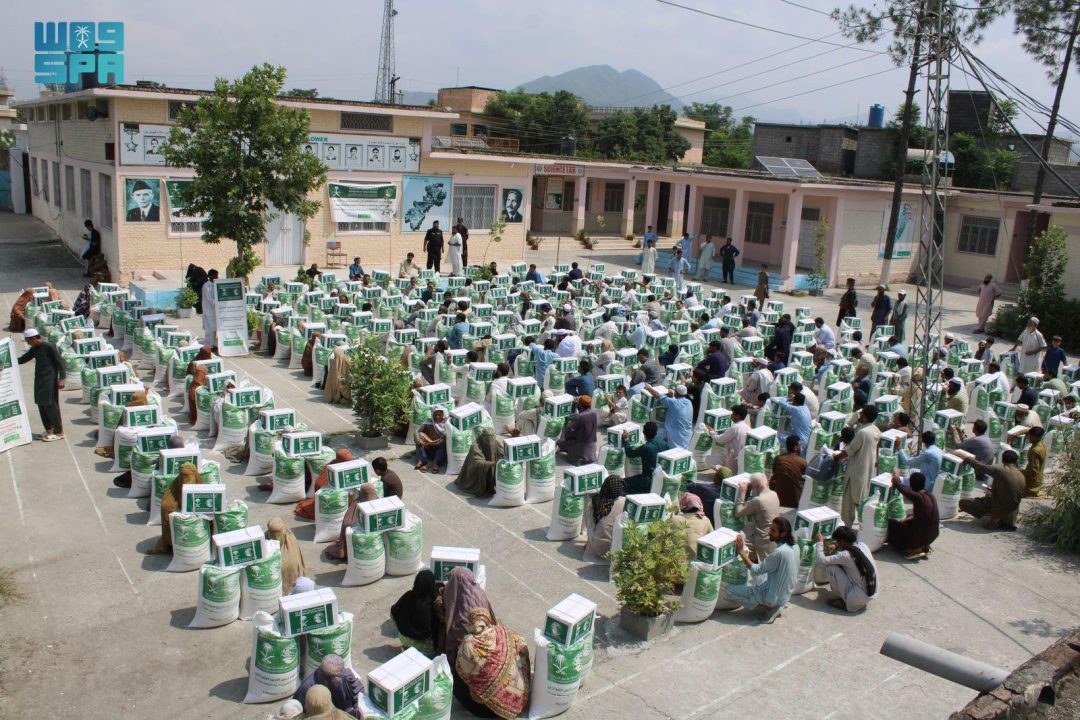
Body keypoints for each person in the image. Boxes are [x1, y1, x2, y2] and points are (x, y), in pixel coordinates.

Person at [724, 517, 799, 624]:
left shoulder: (779, 553)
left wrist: (741, 551)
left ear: (783, 534)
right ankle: (778, 602)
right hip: (786, 594)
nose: (769, 532)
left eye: (773, 531)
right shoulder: (795, 547)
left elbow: (756, 570)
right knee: (758, 575)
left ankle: (771, 607)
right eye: (770, 528)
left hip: (774, 597)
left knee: (729, 591)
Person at [814, 526, 877, 612]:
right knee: (845, 566)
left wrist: (820, 542)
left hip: (857, 598)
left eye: (838, 542)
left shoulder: (846, 555)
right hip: (870, 593)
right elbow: (847, 547)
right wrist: (836, 546)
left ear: (842, 541)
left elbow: (821, 561)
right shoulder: (863, 546)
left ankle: (845, 601)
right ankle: (852, 598)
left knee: (831, 568)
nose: (837, 543)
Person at [18, 329, 66, 441]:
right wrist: (8, 362)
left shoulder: (49, 346)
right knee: (41, 404)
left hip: (49, 380)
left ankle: (59, 432)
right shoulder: (35, 348)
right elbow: (23, 359)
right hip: (40, 380)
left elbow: (60, 361)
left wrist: (62, 378)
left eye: (28, 340)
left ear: (34, 338)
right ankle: (49, 429)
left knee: (50, 405)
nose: (27, 343)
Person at [959, 450, 1026, 530]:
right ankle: (1000, 517)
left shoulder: (1000, 470)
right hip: (1012, 510)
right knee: (989, 494)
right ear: (1015, 461)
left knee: (963, 503)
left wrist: (968, 459)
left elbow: (981, 467)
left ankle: (995, 518)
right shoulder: (1021, 474)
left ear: (1003, 460)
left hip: (1000, 506)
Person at [147, 463, 201, 555]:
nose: (186, 480)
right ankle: (171, 543)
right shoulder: (175, 488)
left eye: (188, 476)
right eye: (183, 476)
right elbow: (166, 505)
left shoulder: (201, 486)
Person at [839, 406, 881, 527]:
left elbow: (850, 450)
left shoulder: (863, 433)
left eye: (861, 414)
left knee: (853, 502)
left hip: (856, 471)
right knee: (860, 500)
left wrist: (834, 457)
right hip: (867, 470)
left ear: (865, 417)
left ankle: (853, 526)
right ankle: (863, 526)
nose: (859, 415)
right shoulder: (875, 430)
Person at [887, 471, 939, 559]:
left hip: (919, 537)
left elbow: (901, 487)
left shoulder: (918, 497)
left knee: (890, 523)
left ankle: (915, 548)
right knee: (909, 516)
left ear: (911, 485)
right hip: (933, 536)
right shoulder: (931, 496)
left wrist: (896, 476)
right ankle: (924, 544)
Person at [293, 655, 363, 717]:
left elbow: (360, 694)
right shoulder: (308, 687)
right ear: (322, 675)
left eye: (339, 676)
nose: (337, 680)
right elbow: (296, 711)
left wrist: (356, 709)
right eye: (332, 677)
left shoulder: (345, 675)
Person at [323, 485, 379, 561]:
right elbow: (347, 524)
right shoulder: (355, 505)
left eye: (371, 494)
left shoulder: (378, 505)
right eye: (367, 495)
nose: (370, 498)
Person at [391, 570, 438, 656]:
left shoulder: (408, 595)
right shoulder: (431, 604)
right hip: (423, 644)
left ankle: (407, 646)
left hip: (404, 638)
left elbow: (393, 612)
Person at [735, 474, 781, 560]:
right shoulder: (774, 494)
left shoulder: (758, 500)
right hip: (773, 536)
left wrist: (742, 492)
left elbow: (738, 512)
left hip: (762, 539)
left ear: (755, 485)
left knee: (736, 543)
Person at [585, 476, 627, 560]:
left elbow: (588, 521)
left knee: (590, 515)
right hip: (613, 551)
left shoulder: (596, 500)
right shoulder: (625, 502)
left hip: (595, 546)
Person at [623, 422, 671, 494]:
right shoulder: (664, 443)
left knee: (622, 483)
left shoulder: (646, 447)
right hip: (661, 479)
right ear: (656, 432)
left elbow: (629, 453)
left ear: (644, 432)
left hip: (647, 481)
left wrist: (626, 439)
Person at [456, 427, 504, 498]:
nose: (490, 442)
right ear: (483, 437)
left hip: (492, 467)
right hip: (476, 473)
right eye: (487, 439)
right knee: (483, 467)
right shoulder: (475, 445)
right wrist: (492, 463)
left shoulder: (495, 442)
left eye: (491, 438)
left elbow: (502, 452)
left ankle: (491, 483)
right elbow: (478, 462)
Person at [266, 517, 310, 593]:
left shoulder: (290, 541)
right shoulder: (289, 536)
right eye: (272, 533)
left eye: (278, 533)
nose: (276, 537)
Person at [646, 383, 693, 449]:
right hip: (686, 434)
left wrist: (649, 388)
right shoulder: (689, 402)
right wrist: (671, 396)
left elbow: (657, 395)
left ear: (677, 393)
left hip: (675, 433)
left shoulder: (674, 403)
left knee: (652, 434)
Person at [671, 493, 715, 561]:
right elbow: (713, 541)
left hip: (674, 560)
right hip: (695, 561)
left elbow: (661, 537)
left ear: (683, 506)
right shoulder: (705, 520)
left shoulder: (674, 519)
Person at [709, 403, 750, 475]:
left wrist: (712, 432)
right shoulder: (747, 427)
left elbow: (721, 440)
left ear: (738, 416)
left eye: (733, 414)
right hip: (741, 459)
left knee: (709, 460)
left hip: (733, 459)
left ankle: (725, 474)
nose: (731, 416)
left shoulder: (735, 428)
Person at [557, 395, 598, 464]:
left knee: (561, 441)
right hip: (592, 450)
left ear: (580, 406)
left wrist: (570, 438)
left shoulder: (579, 417)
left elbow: (568, 432)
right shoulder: (594, 413)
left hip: (580, 452)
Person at [770, 436, 807, 507]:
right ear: (795, 448)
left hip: (778, 497)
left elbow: (774, 474)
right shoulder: (803, 462)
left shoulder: (778, 459)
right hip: (795, 500)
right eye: (800, 445)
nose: (801, 448)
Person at [414, 408, 448, 474]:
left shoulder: (446, 424)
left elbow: (444, 438)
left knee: (443, 444)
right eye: (435, 415)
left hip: (438, 449)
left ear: (443, 415)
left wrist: (433, 443)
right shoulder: (428, 422)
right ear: (432, 415)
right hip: (428, 447)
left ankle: (436, 463)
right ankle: (422, 461)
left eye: (439, 415)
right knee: (418, 440)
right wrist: (421, 442)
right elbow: (417, 431)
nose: (437, 417)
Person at [1018, 426, 1047, 498]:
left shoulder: (1035, 450)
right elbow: (1027, 431)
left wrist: (1018, 472)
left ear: (1037, 437)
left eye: (1031, 436)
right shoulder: (1041, 444)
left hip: (1032, 484)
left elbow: (1033, 471)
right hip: (1038, 479)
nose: (1029, 437)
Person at [201, 269, 219, 351]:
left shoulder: (216, 284)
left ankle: (215, 344)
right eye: (215, 275)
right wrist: (218, 303)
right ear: (211, 276)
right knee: (209, 330)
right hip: (208, 311)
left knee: (215, 329)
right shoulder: (206, 286)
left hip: (215, 311)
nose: (217, 277)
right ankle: (208, 346)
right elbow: (209, 299)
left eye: (217, 275)